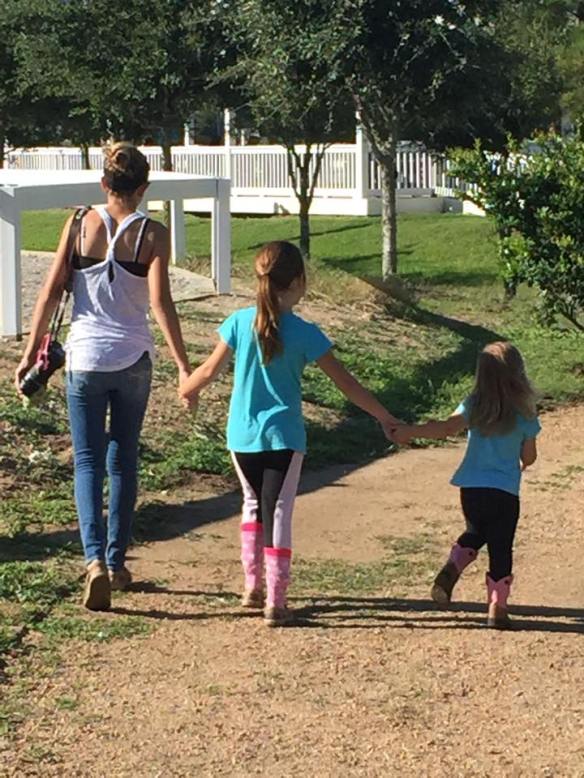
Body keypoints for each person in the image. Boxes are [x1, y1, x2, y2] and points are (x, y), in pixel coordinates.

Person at [179, 241, 399, 627]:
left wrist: (187, 389)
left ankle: (252, 587)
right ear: (297, 282)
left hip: (242, 436)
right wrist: (384, 416)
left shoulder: (238, 323)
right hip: (284, 437)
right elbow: (347, 384)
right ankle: (276, 600)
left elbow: (209, 371)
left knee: (252, 503)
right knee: (278, 509)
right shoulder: (305, 333)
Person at [15, 142, 190, 612]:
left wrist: (30, 353)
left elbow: (52, 291)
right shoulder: (153, 234)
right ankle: (116, 563)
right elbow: (160, 303)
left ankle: (92, 561)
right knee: (124, 458)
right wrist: (182, 363)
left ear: (103, 183)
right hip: (133, 358)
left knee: (87, 461)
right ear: (144, 188)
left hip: (85, 358)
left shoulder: (79, 223)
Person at [393, 342, 540, 629]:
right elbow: (529, 456)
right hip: (505, 491)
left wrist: (410, 431)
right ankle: (497, 606)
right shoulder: (525, 412)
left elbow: (446, 427)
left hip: (471, 488)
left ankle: (455, 563)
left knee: (476, 530)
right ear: (518, 373)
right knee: (500, 545)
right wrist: (522, 460)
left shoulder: (473, 405)